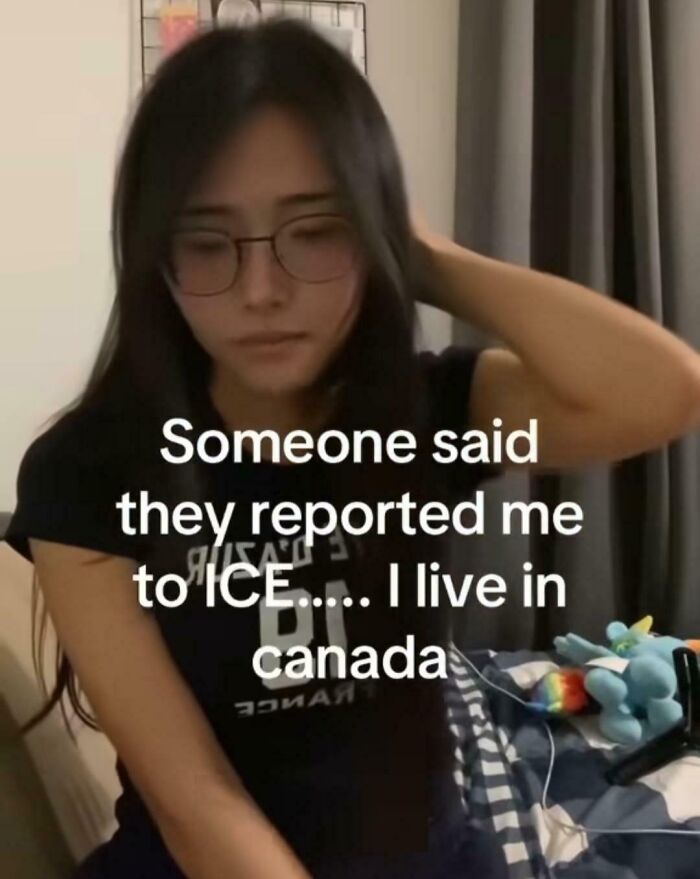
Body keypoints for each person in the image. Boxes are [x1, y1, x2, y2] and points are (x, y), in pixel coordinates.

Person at [4, 18, 700, 879]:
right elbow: (195, 797)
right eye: (207, 241)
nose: (262, 290)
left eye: (316, 231)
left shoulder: (427, 409)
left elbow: (664, 390)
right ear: (158, 258)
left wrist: (423, 256)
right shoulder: (85, 471)